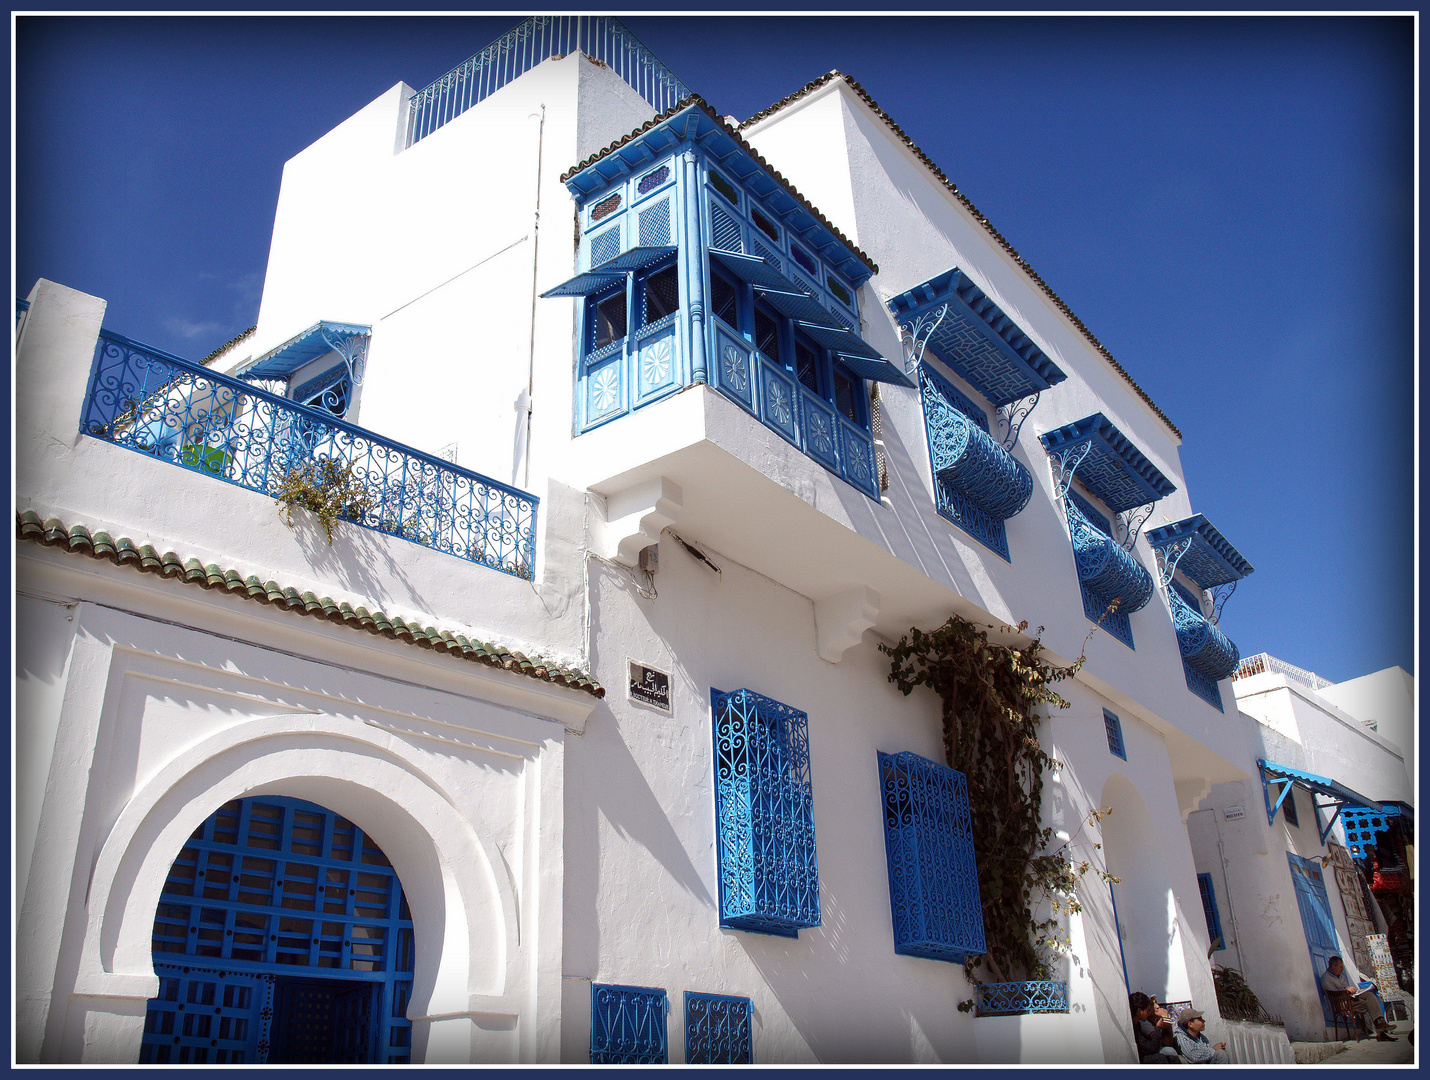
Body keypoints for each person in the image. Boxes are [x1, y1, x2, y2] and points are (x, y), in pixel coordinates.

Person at [1320, 955, 1396, 1041]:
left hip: (1350, 998)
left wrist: (1356, 991)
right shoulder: (1326, 978)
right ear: (1333, 966)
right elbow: (1334, 994)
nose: (1342, 969)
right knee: (1370, 1005)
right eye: (1340, 967)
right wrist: (1346, 990)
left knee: (1370, 996)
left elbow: (1345, 988)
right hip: (1342, 1004)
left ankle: (1380, 1023)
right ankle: (1380, 1029)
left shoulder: (1341, 976)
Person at [1129, 992, 1180, 1063]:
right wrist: (1159, 1027)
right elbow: (1153, 1048)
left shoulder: (1139, 1023)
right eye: (1148, 1010)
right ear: (1139, 1011)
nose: (1157, 1007)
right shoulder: (1140, 1024)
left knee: (1173, 1059)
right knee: (1162, 1057)